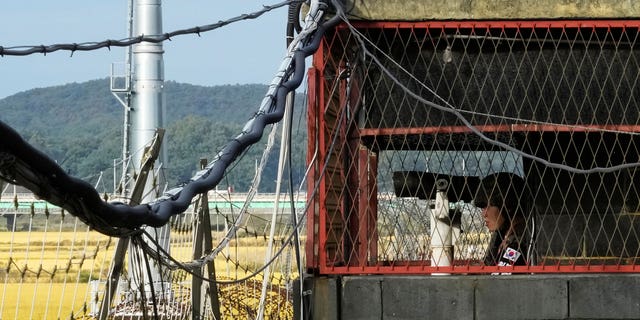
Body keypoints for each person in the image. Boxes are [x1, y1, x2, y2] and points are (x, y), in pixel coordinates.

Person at [473, 172, 533, 267]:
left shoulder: (520, 243)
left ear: (507, 206)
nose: (484, 214)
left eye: (488, 206)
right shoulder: (500, 237)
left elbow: (501, 278)